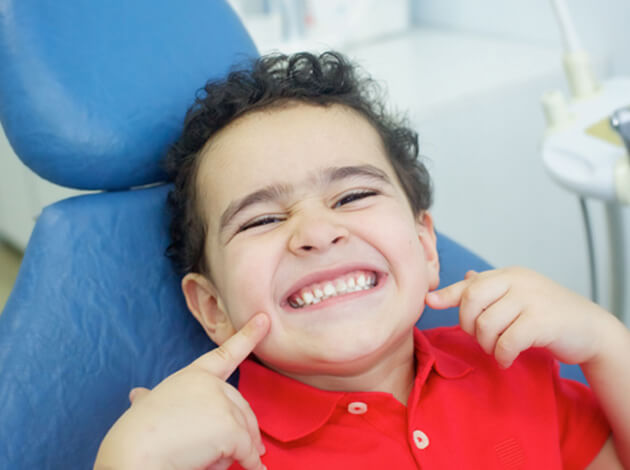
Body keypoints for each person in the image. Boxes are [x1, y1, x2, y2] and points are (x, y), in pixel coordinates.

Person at [94, 51, 630, 469]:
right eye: (261, 220)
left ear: (424, 247)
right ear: (212, 307)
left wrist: (607, 343)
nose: (318, 232)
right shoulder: (220, 449)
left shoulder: (515, 370)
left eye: (351, 196)